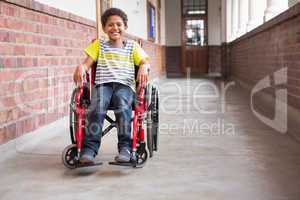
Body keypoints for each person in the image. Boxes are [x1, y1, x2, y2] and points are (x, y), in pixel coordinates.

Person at [73, 8, 150, 163]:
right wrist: (81, 67)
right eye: (110, 25)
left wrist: (143, 66)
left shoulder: (132, 46)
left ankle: (125, 148)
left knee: (123, 105)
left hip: (125, 87)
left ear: (125, 27)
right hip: (103, 86)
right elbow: (87, 64)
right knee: (97, 106)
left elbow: (145, 62)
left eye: (119, 24)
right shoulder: (99, 45)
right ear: (104, 28)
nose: (115, 28)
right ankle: (89, 149)